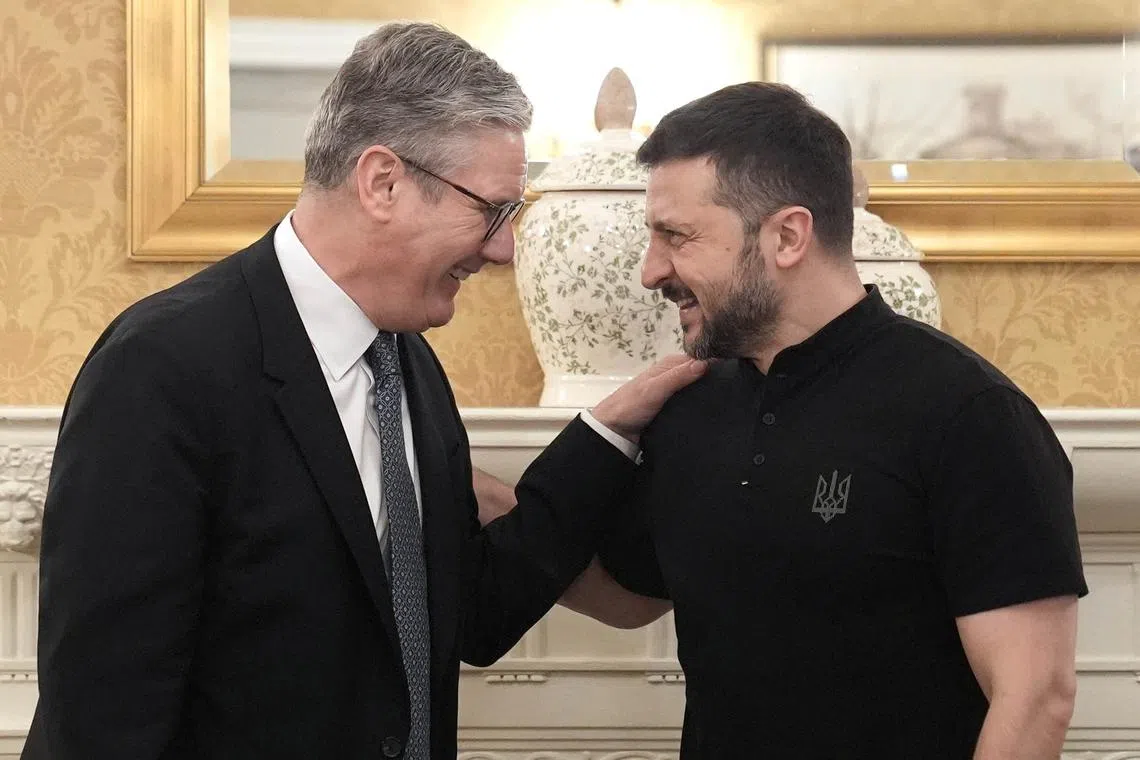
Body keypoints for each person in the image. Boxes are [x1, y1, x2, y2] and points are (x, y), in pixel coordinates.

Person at [21, 22, 706, 760]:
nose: (503, 249)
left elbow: (468, 613)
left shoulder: (407, 363)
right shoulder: (163, 366)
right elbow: (103, 709)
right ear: (383, 182)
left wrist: (605, 431)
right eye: (493, 211)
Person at [505, 82, 1086, 758]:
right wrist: (482, 498)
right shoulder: (692, 405)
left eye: (677, 237)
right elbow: (633, 595)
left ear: (788, 236)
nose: (649, 271)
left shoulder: (971, 415)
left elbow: (1036, 694)